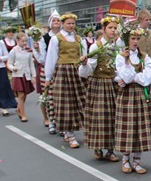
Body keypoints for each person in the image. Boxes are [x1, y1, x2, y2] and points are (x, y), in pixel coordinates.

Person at [115, 28, 151, 174]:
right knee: (128, 127)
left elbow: (149, 76)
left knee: (141, 127)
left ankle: (138, 161)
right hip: (127, 96)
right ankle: (126, 159)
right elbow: (125, 76)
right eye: (132, 38)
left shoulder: (144, 56)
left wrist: (135, 77)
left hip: (141, 94)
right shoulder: (121, 57)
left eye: (137, 39)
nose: (135, 41)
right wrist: (132, 72)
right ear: (127, 40)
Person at [79, 16, 121, 162]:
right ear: (103, 30)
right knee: (99, 117)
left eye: (115, 28)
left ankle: (110, 149)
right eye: (110, 28)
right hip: (99, 84)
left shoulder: (117, 46)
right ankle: (98, 147)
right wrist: (84, 64)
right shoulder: (96, 46)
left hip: (112, 84)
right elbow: (88, 71)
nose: (113, 30)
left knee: (113, 117)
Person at [45, 13, 87, 148]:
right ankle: (70, 133)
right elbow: (51, 58)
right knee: (66, 103)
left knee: (79, 102)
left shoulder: (79, 39)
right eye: (68, 23)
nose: (71, 26)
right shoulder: (56, 39)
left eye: (73, 23)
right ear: (63, 24)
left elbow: (84, 54)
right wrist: (48, 77)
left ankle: (71, 131)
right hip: (63, 73)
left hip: (77, 71)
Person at [38, 11, 62, 133]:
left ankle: (62, 122)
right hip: (49, 69)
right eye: (54, 20)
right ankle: (51, 121)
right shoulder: (45, 38)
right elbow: (42, 58)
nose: (56, 22)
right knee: (50, 96)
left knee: (62, 97)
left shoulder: (65, 36)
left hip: (62, 69)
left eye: (58, 20)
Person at [7, 32, 37, 122]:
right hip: (18, 74)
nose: (25, 43)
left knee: (25, 94)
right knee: (21, 95)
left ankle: (18, 109)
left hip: (26, 74)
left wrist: (34, 76)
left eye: (26, 41)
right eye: (23, 41)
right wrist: (13, 68)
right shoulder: (14, 50)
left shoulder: (28, 51)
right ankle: (23, 115)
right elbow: (9, 63)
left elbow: (31, 64)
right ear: (17, 41)